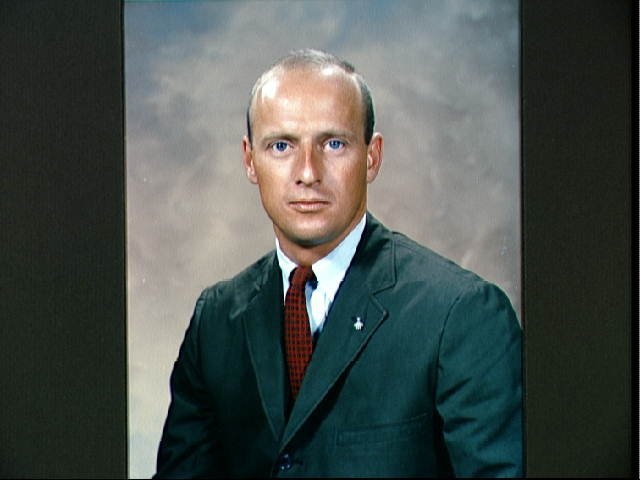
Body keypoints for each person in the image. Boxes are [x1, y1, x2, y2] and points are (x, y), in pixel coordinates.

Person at [154, 48, 522, 478]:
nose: (308, 172)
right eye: (281, 145)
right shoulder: (216, 319)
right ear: (250, 160)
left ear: (372, 156)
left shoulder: (462, 315)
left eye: (333, 143)